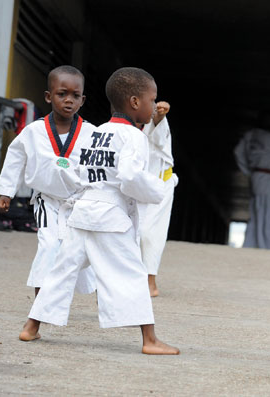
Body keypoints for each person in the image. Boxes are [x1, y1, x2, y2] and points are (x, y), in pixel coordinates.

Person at [19, 67, 179, 355]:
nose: (154, 106)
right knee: (133, 274)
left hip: (83, 213)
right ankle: (150, 340)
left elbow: (79, 174)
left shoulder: (97, 132)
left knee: (61, 272)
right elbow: (130, 177)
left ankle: (31, 327)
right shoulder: (134, 137)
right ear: (134, 102)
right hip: (110, 218)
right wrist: (156, 190)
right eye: (151, 99)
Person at [0, 65, 96, 297]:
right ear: (49, 97)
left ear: (83, 100)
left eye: (75, 95)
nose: (69, 100)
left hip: (78, 202)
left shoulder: (91, 133)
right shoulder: (34, 131)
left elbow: (99, 167)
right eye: (62, 94)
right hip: (46, 200)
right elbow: (14, 159)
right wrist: (6, 192)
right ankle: (41, 302)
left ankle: (99, 291)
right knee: (49, 246)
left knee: (79, 250)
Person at [234, 111, 270, 249]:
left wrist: (247, 170)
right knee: (269, 213)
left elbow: (238, 152)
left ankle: (250, 245)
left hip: (256, 176)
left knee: (256, 211)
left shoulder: (251, 136)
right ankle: (267, 247)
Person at [139, 101, 178, 297]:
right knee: (133, 232)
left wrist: (159, 116)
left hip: (160, 185)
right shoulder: (122, 124)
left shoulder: (154, 118)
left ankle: (150, 282)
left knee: (149, 233)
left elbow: (157, 130)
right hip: (135, 187)